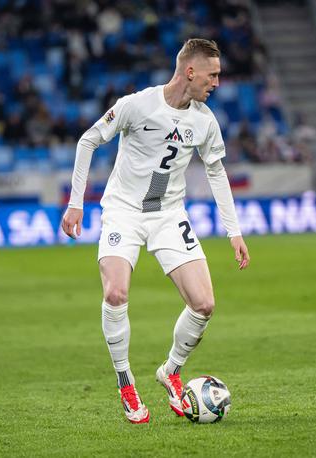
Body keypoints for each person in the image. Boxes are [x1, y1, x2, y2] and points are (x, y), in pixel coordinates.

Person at [61, 38, 250, 424]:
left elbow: (216, 171)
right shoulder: (137, 104)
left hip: (167, 213)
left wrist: (234, 231)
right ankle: (125, 381)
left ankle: (172, 371)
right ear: (190, 71)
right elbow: (88, 140)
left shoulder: (204, 121)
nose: (217, 83)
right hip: (124, 211)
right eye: (212, 75)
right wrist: (75, 201)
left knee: (204, 304)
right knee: (115, 291)